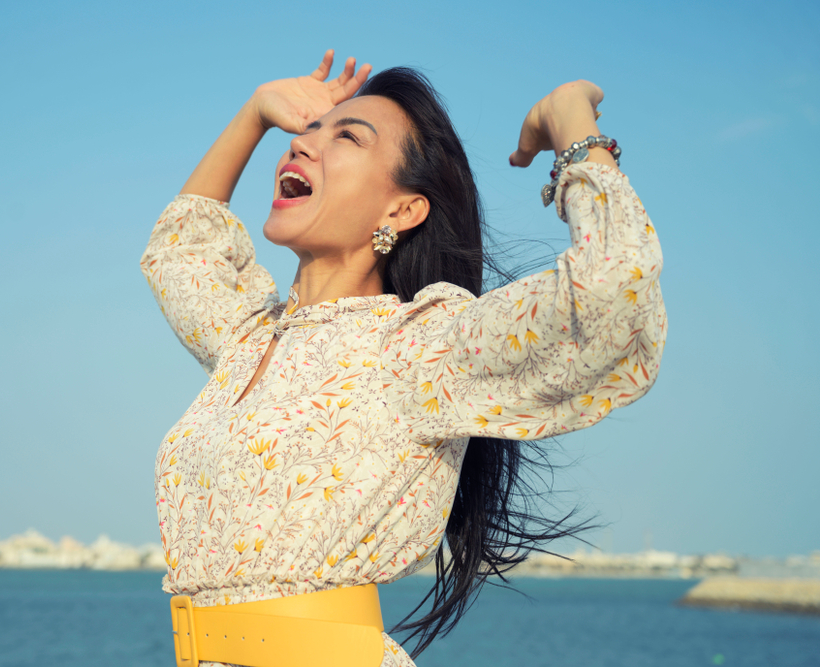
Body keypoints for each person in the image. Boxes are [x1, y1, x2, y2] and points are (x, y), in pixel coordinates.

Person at [141, 50, 666, 667]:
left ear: (402, 210)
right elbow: (182, 250)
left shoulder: (421, 348)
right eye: (305, 133)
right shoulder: (252, 337)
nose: (301, 147)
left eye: (347, 138)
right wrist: (255, 113)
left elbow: (613, 291)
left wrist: (572, 125)